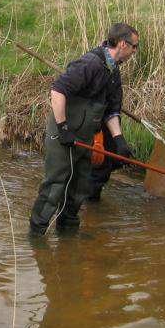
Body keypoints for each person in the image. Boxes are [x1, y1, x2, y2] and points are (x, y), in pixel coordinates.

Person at [29, 23, 139, 236]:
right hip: (64, 134)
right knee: (55, 185)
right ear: (123, 44)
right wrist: (62, 127)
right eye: (135, 46)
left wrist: (119, 140)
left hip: (85, 136)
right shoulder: (90, 64)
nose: (135, 51)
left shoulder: (114, 72)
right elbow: (58, 91)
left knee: (80, 186)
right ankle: (36, 234)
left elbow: (111, 111)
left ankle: (68, 232)